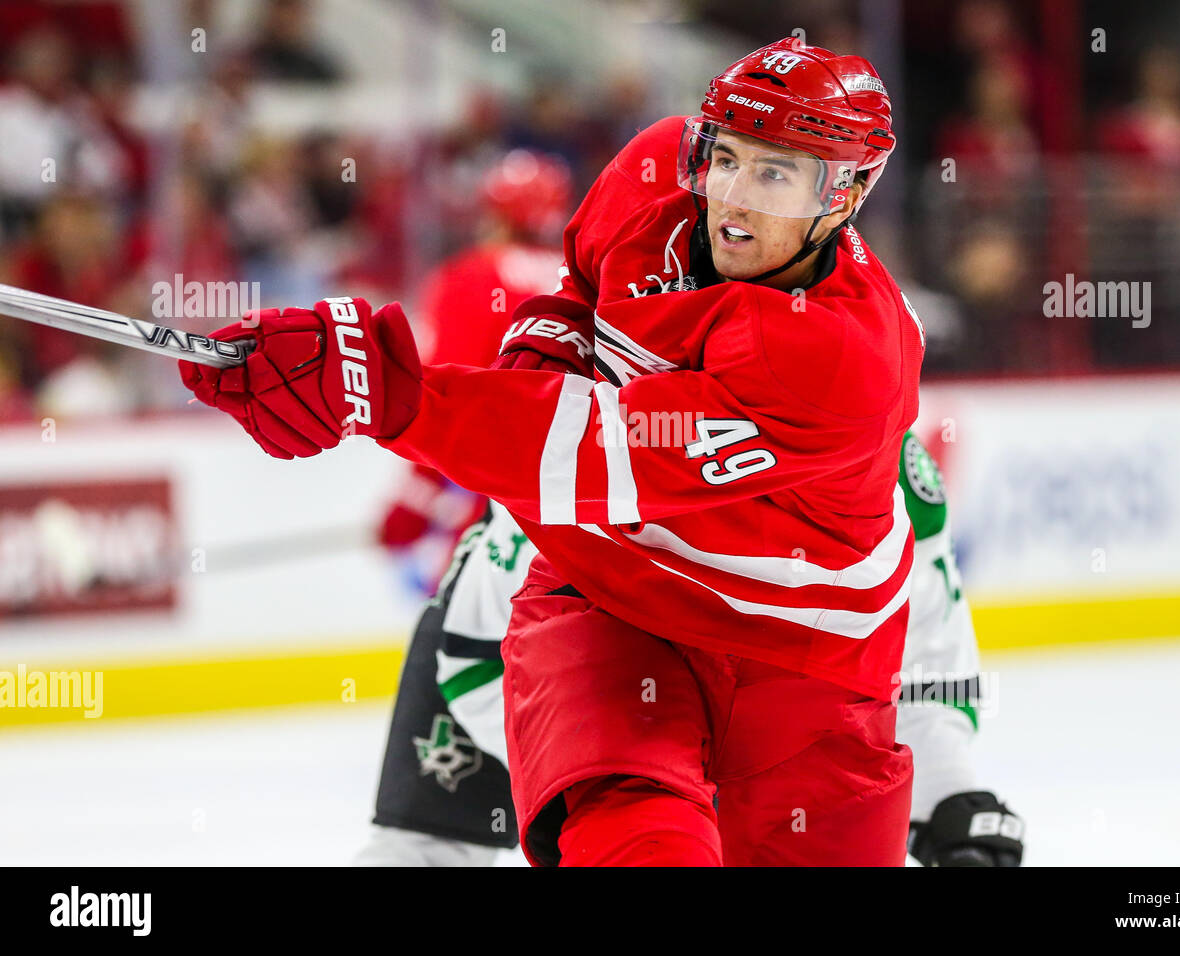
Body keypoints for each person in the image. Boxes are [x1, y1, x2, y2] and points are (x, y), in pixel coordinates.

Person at [180, 38, 926, 866]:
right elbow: (578, 297)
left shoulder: (839, 357)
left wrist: (380, 392)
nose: (732, 199)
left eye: (776, 174)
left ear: (849, 190)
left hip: (807, 663)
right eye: (726, 157)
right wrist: (523, 379)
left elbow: (597, 457)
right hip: (609, 606)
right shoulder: (650, 178)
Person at [356, 429, 1024, 867]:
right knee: (419, 856)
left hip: (717, 694)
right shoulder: (618, 444)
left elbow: (923, 660)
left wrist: (950, 799)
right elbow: (483, 654)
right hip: (503, 657)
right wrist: (649, 799)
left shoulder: (886, 469)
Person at [375, 150, 571, 572]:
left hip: (494, 500)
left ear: (494, 215)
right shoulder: (583, 277)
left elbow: (437, 395)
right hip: (582, 504)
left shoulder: (471, 277)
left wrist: (414, 502)